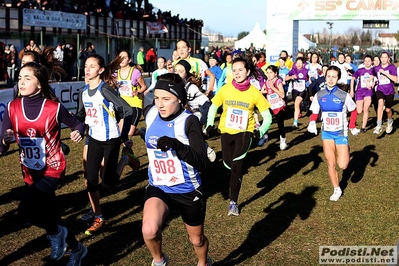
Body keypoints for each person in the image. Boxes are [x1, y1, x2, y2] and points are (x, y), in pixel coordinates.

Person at [0, 62, 88, 265]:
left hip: (52, 168)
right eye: (20, 78)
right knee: (52, 215)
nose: (21, 82)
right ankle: (77, 248)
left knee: (25, 211)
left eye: (27, 78)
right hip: (30, 171)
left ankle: (57, 232)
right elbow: (2, 146)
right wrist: (5, 140)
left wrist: (77, 131)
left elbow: (77, 123)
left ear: (39, 84)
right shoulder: (13, 107)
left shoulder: (53, 107)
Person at [141, 73, 212, 266]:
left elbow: (202, 162)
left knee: (196, 239)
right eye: (156, 98)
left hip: (187, 189)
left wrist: (177, 145)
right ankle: (159, 262)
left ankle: (203, 262)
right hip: (159, 186)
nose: (160, 104)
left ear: (179, 99)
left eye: (166, 99)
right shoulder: (150, 113)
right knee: (149, 230)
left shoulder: (189, 122)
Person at [205, 57, 272, 216]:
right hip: (226, 132)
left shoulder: (254, 93)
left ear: (248, 71)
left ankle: (233, 202)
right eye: (234, 70)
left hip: (245, 132)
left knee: (236, 166)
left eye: (240, 70)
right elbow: (213, 107)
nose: (237, 73)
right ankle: (234, 186)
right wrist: (209, 124)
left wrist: (259, 132)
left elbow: (268, 117)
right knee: (228, 164)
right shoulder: (225, 89)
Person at [75, 54, 133, 235]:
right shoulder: (83, 92)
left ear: (100, 70)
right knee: (90, 180)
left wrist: (123, 137)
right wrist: (78, 129)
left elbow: (127, 109)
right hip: (94, 139)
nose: (87, 69)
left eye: (92, 66)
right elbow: (81, 116)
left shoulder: (104, 90)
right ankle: (98, 216)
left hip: (111, 140)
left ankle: (125, 159)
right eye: (86, 65)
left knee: (108, 182)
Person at [307, 65, 359, 201]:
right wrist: (312, 122)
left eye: (334, 77)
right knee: (331, 163)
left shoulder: (344, 95)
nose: (331, 79)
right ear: (325, 77)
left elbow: (353, 110)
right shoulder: (320, 94)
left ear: (338, 78)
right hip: (327, 133)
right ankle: (336, 189)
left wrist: (352, 125)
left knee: (343, 165)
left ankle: (346, 148)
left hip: (341, 133)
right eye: (328, 76)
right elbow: (314, 112)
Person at [261, 65, 287, 150]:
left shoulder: (278, 81)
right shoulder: (266, 81)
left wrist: (272, 88)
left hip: (279, 106)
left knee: (280, 124)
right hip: (270, 105)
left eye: (271, 73)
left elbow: (282, 95)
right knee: (267, 120)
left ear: (275, 73)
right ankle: (265, 136)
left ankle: (283, 140)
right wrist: (267, 91)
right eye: (267, 73)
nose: (268, 75)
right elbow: (262, 90)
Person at [372, 51, 397, 134]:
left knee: (388, 110)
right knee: (380, 103)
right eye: (382, 57)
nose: (383, 59)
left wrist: (385, 73)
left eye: (385, 57)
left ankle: (390, 122)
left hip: (389, 91)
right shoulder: (376, 68)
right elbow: (374, 75)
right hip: (380, 89)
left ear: (388, 58)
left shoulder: (392, 68)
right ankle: (378, 125)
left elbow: (396, 79)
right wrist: (371, 81)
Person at [349, 55, 375, 133]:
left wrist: (374, 82)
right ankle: (350, 123)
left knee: (366, 108)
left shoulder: (374, 70)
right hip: (359, 92)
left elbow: (377, 78)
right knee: (359, 110)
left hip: (368, 91)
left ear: (371, 62)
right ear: (363, 62)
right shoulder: (360, 70)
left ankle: (363, 127)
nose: (367, 63)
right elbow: (353, 79)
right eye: (366, 61)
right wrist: (352, 90)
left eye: (369, 61)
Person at [285, 57, 309, 128]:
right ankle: (296, 120)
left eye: (300, 63)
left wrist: (309, 82)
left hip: (302, 90)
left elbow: (309, 79)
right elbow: (286, 78)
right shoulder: (293, 70)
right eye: (297, 63)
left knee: (296, 103)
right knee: (297, 106)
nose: (298, 64)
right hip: (295, 90)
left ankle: (295, 122)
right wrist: (291, 77)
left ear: (303, 64)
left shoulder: (306, 71)